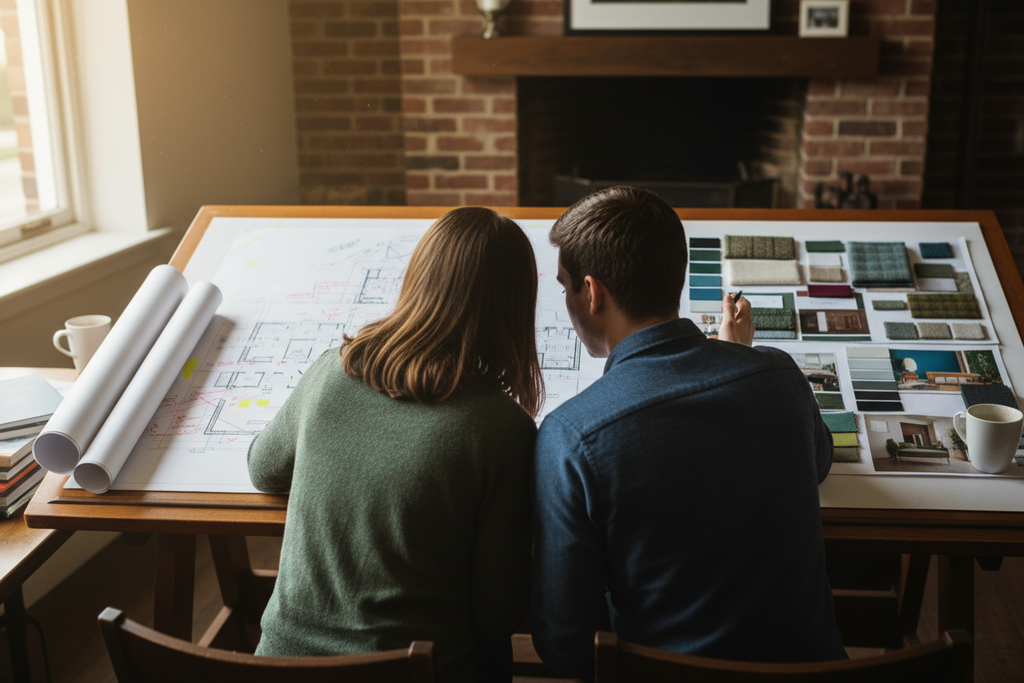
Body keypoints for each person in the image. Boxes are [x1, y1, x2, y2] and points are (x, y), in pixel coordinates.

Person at [530, 186, 845, 677]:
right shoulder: (781, 377)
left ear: (593, 294)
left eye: (566, 286)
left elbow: (566, 643)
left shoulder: (570, 435)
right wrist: (742, 356)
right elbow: (818, 461)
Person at [248, 207, 544, 683]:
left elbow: (263, 469)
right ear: (514, 308)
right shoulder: (503, 429)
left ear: (417, 278)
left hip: (279, 665)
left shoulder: (332, 369)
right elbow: (498, 615)